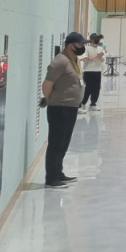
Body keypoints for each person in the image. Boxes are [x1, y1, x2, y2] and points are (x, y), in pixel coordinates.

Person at [40, 32, 88, 188]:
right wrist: (52, 100)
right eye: (80, 45)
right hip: (60, 108)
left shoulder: (73, 60)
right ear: (70, 46)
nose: (82, 47)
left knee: (64, 142)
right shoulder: (60, 61)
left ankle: (58, 172)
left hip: (71, 108)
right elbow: (47, 85)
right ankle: (51, 178)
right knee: (56, 143)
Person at [80, 32, 106, 110]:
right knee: (88, 88)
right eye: (97, 39)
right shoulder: (86, 48)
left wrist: (100, 57)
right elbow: (85, 59)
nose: (98, 40)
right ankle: (83, 103)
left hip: (97, 71)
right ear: (92, 39)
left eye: (99, 39)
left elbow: (102, 60)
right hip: (88, 71)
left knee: (97, 88)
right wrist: (96, 56)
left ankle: (93, 104)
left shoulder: (100, 48)